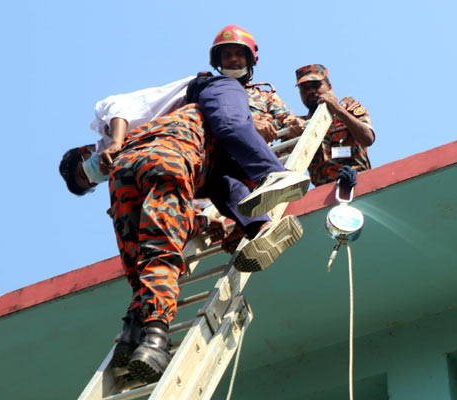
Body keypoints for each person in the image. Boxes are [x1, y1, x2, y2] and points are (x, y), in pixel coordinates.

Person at [71, 77, 306, 384]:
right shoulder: (179, 123)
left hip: (133, 172)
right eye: (87, 182)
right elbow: (173, 211)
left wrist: (207, 222)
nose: (90, 176)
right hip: (175, 156)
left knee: (143, 264)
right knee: (159, 255)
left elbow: (229, 122)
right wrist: (209, 221)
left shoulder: (119, 132)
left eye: (85, 173)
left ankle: (131, 338)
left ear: (83, 152)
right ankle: (152, 342)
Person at [288, 64, 375, 186]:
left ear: (329, 87)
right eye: (304, 89)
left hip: (358, 182)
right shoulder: (300, 125)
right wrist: (296, 136)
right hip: (323, 194)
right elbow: (282, 169)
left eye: (316, 86)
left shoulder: (347, 107)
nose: (311, 92)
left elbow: (368, 138)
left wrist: (339, 110)